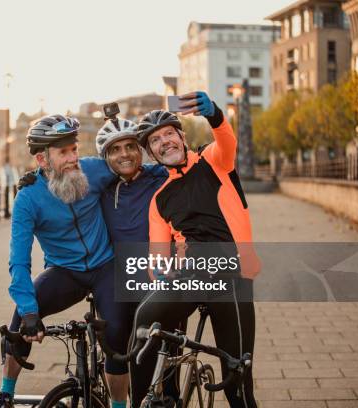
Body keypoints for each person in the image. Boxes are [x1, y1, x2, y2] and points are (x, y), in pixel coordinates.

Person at [0, 114, 134, 408]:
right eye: (63, 152)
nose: (72, 158)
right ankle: (5, 393)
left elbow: (132, 168)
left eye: (74, 149)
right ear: (43, 160)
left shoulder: (94, 171)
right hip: (65, 272)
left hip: (107, 266)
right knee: (19, 321)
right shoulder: (28, 198)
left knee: (116, 336)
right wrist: (31, 311)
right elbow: (18, 262)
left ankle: (119, 405)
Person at [131, 91, 260, 408]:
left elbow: (226, 138)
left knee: (237, 385)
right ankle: (151, 399)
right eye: (156, 141)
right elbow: (158, 259)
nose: (165, 142)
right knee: (145, 317)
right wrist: (164, 282)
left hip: (231, 273)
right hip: (190, 276)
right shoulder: (159, 198)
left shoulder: (214, 161)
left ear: (181, 136)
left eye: (168, 134)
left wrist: (214, 112)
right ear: (152, 153)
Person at [96, 112, 185, 407]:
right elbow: (65, 173)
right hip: (121, 280)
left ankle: (168, 397)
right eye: (115, 149)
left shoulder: (160, 175)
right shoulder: (102, 187)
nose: (124, 154)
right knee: (119, 345)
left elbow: (192, 163)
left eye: (130, 146)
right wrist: (33, 181)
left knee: (166, 356)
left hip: (163, 277)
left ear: (141, 150)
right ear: (105, 157)